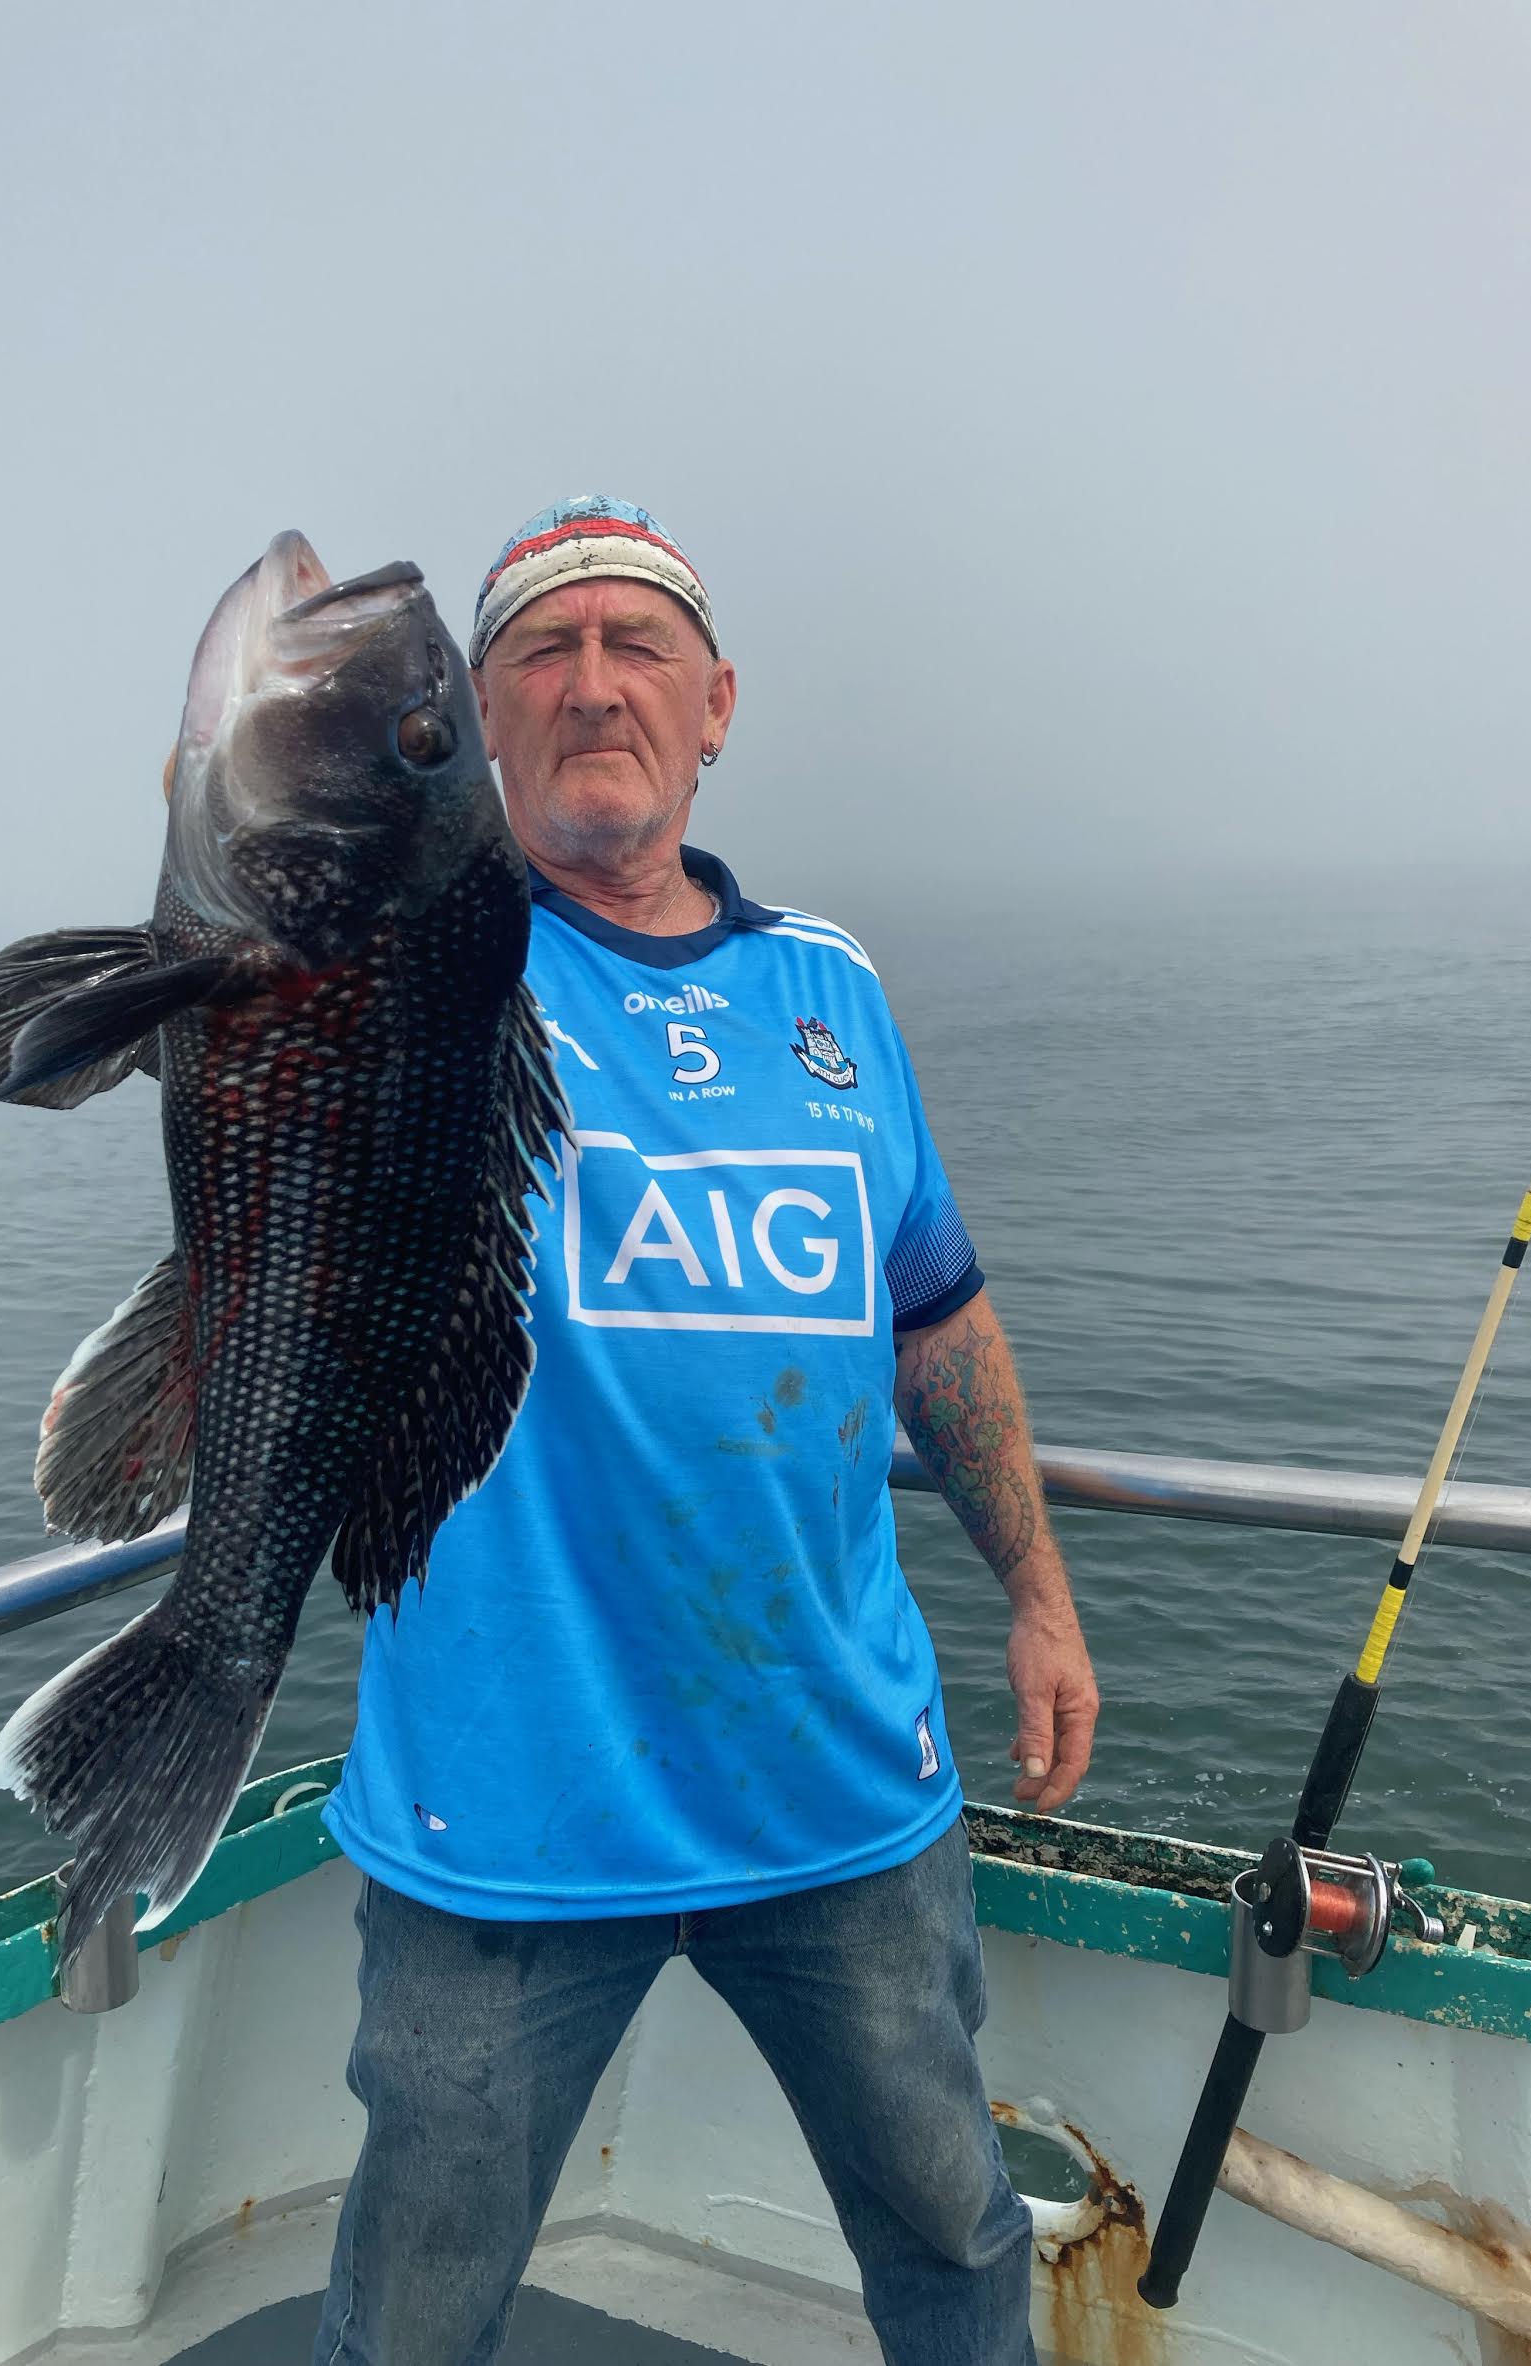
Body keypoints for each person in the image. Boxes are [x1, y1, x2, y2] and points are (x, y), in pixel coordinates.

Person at [311, 496, 1100, 2366]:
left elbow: (936, 1311)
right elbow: (263, 996)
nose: (594, 686)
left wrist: (1043, 1593)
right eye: (540, 656)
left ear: (717, 701)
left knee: (956, 2233)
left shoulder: (833, 988)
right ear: (483, 723)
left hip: (835, 1783)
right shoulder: (417, 962)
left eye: (635, 643)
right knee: (405, 2316)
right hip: (500, 1804)